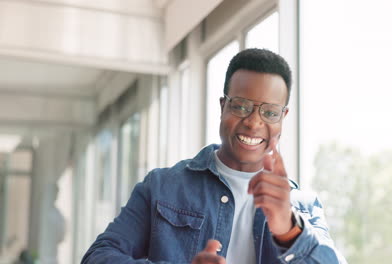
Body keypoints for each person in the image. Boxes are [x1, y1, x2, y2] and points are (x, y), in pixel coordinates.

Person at [82, 48, 347, 264]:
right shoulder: (162, 186)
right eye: (242, 106)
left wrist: (289, 230)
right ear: (223, 107)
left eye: (269, 112)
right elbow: (98, 257)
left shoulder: (303, 206)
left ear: (283, 118)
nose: (254, 123)